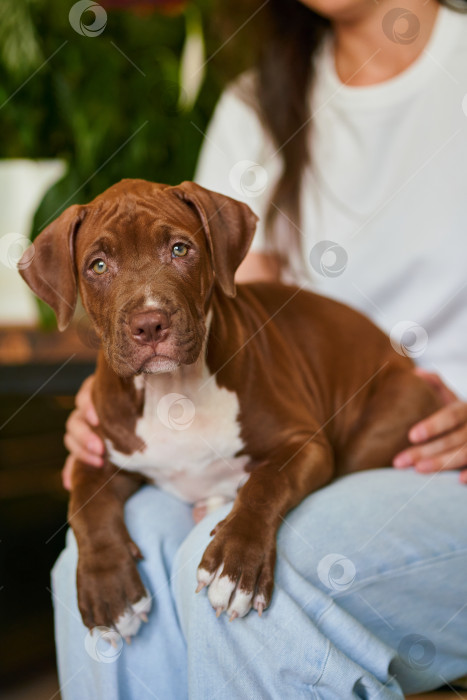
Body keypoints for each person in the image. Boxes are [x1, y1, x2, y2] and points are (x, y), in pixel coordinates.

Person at [52, 0, 467, 697]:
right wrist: (130, 425)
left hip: (428, 449)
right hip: (295, 421)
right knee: (88, 566)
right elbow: (245, 310)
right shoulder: (257, 99)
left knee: (244, 574)